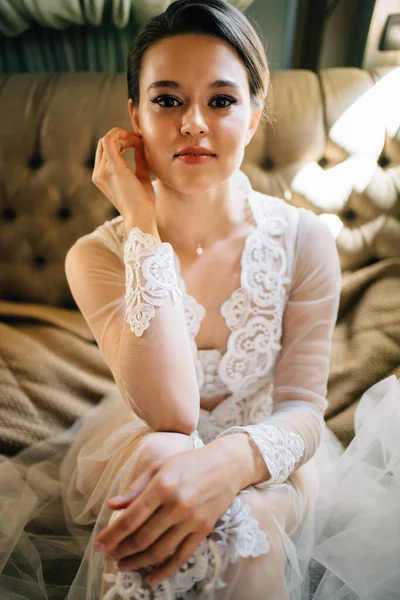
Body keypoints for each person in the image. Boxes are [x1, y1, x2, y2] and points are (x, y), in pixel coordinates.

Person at [1, 1, 399, 599]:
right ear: (133, 115)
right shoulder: (96, 255)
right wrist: (140, 222)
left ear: (255, 115)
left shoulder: (306, 240)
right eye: (167, 100)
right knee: (161, 455)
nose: (193, 123)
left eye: (221, 100)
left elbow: (302, 409)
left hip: (276, 452)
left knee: (251, 520)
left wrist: (230, 464)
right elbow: (172, 413)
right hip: (144, 440)